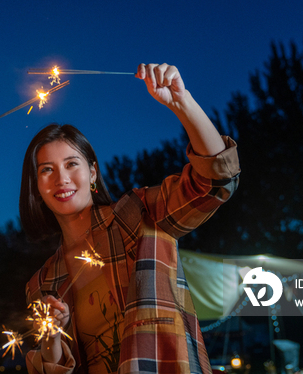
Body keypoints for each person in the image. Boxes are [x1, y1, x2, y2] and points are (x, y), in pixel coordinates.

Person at [19, 64, 240, 374]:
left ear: (92, 174)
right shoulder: (42, 285)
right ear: (37, 187)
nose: (61, 179)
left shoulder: (139, 215)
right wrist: (52, 339)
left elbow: (216, 181)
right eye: (46, 170)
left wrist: (182, 102)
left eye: (72, 164)